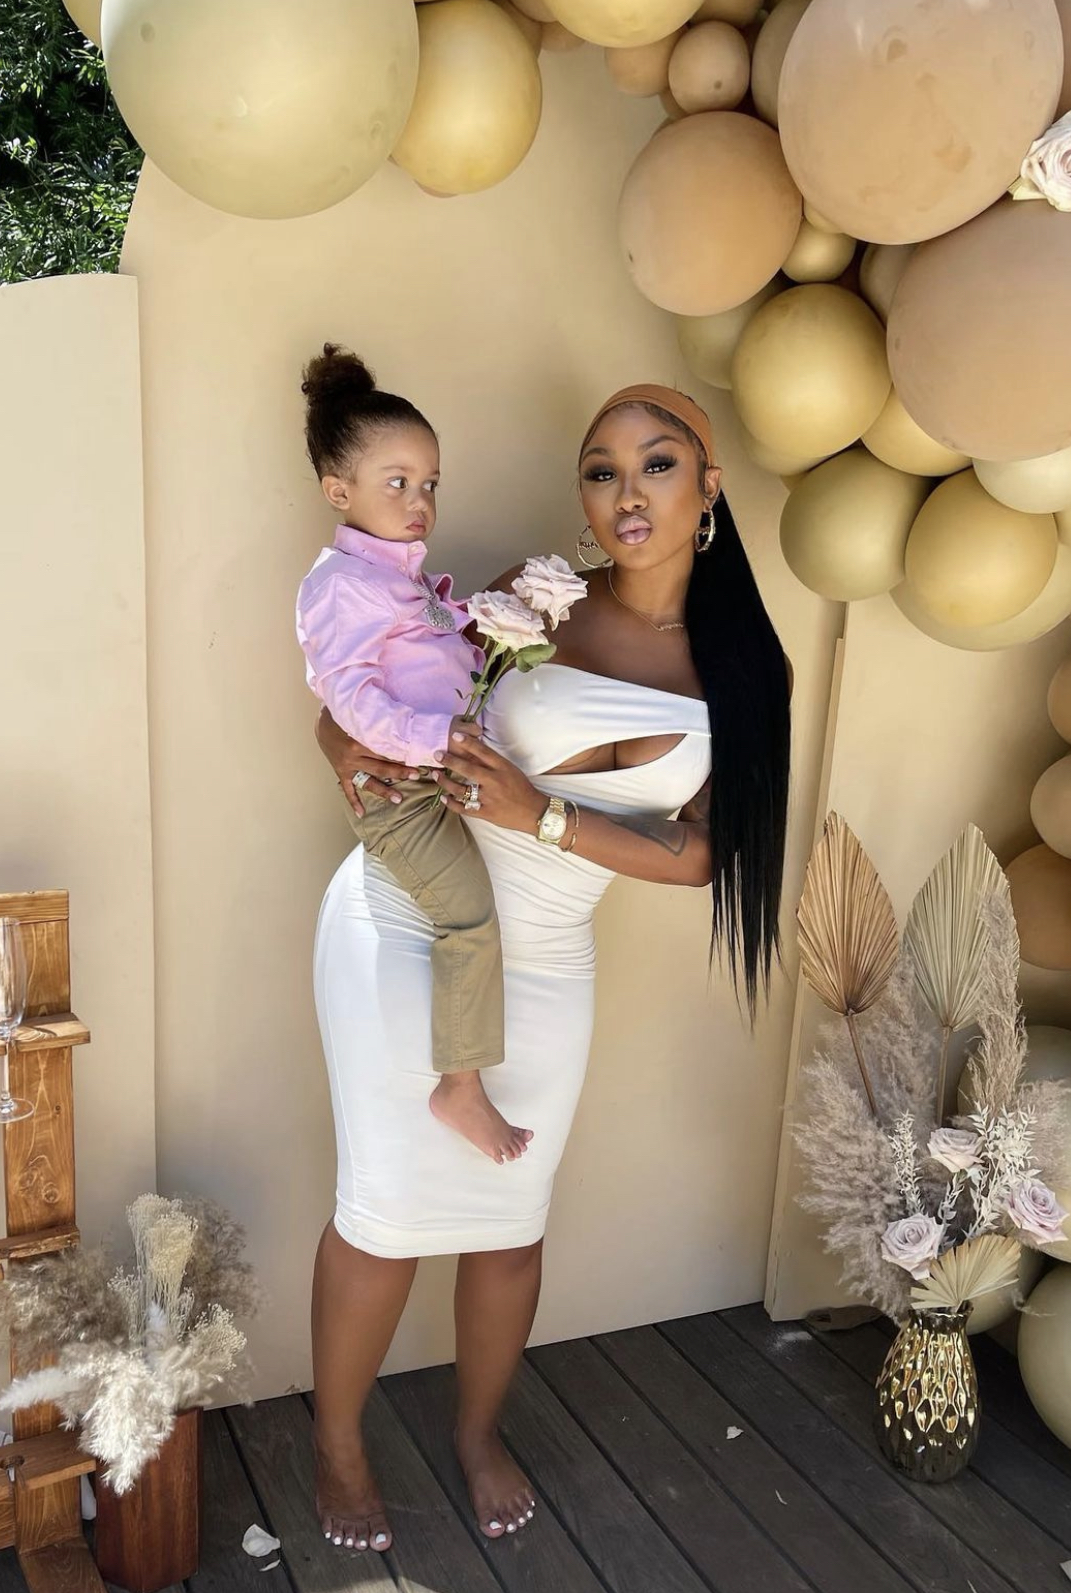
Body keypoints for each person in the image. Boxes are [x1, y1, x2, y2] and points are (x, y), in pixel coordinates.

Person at [309, 382, 791, 1554]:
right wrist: (334, 742)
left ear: (709, 488)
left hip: (550, 956)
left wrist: (546, 819)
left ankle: (478, 1436)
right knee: (383, 1211)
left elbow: (704, 858)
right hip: (407, 919)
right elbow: (378, 687)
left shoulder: (746, 669)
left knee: (511, 1221)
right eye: (601, 469)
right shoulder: (532, 604)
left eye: (658, 463)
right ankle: (338, 1449)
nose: (628, 492)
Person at [296, 344, 532, 1167]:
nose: (420, 501)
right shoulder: (341, 584)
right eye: (397, 482)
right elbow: (351, 699)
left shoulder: (401, 578)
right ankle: (459, 1085)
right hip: (401, 795)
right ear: (340, 491)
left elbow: (433, 662)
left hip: (439, 773)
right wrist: (440, 740)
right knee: (468, 915)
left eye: (429, 483)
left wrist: (484, 633)